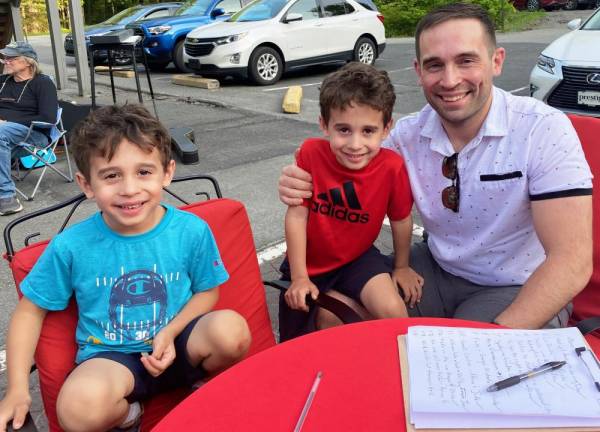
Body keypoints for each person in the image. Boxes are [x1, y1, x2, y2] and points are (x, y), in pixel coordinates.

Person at [278, 2, 593, 330]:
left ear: (496, 61)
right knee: (335, 319)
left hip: (514, 285)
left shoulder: (541, 129)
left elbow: (571, 261)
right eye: (434, 65)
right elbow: (344, 153)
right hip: (434, 269)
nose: (450, 79)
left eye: (466, 60)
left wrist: (494, 341)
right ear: (418, 71)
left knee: (461, 365)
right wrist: (296, 177)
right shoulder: (405, 135)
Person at [0, 104, 251, 432]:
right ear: (87, 184)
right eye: (111, 175)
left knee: (231, 330)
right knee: (76, 410)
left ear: (167, 172)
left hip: (178, 343)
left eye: (144, 172)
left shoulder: (191, 230)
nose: (129, 189)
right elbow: (29, 313)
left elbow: (208, 291)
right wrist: (18, 389)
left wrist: (170, 331)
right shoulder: (71, 246)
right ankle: (128, 414)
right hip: (112, 358)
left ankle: (195, 384)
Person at [280, 62, 422, 340]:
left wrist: (402, 267)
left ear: (386, 128)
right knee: (303, 339)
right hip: (311, 260)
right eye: (344, 130)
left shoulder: (392, 167)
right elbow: (297, 215)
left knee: (394, 311)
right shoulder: (310, 154)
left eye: (368, 131)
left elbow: (401, 219)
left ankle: (401, 371)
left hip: (356, 258)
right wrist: (299, 277)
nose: (355, 144)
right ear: (324, 124)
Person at [0, 41, 58, 216]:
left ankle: (6, 197)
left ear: (27, 61)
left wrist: (6, 120)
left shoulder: (43, 83)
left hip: (34, 133)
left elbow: (48, 118)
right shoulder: (3, 81)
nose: (6, 61)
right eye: (5, 58)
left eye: (11, 58)